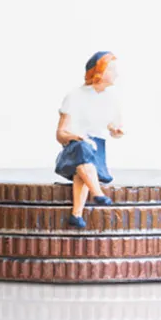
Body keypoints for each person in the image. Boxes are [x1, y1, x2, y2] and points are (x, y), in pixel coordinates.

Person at [54, 51, 124, 228]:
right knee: (82, 150)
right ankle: (98, 193)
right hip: (74, 147)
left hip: (96, 150)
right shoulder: (75, 96)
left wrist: (115, 130)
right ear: (99, 71)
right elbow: (60, 133)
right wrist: (74, 137)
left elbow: (111, 125)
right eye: (111, 69)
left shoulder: (111, 99)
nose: (116, 74)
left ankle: (76, 215)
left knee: (83, 171)